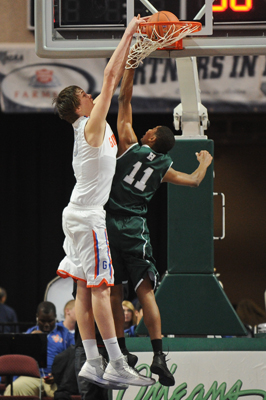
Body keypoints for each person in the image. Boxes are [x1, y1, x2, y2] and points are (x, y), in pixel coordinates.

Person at [53, 15, 154, 390]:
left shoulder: (91, 126)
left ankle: (92, 362)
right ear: (79, 109)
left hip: (75, 213)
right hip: (88, 216)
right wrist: (129, 32)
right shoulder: (90, 125)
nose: (93, 97)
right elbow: (109, 78)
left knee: (82, 287)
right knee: (100, 287)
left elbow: (116, 87)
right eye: (86, 97)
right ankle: (114, 362)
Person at [106, 63, 213, 387]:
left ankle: (121, 354)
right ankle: (158, 356)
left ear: (151, 137)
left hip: (111, 225)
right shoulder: (164, 168)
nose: (146, 129)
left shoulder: (128, 142)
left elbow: (124, 100)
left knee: (113, 291)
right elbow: (194, 182)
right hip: (137, 228)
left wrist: (132, 69)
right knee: (146, 292)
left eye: (150, 129)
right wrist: (204, 162)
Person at [4, 301, 74, 397]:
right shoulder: (28, 335)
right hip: (32, 378)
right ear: (37, 317)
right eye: (42, 321)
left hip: (57, 379)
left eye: (50, 321)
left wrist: (58, 376)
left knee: (64, 393)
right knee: (14, 389)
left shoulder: (66, 335)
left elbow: (73, 360)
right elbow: (19, 361)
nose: (46, 325)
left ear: (55, 317)